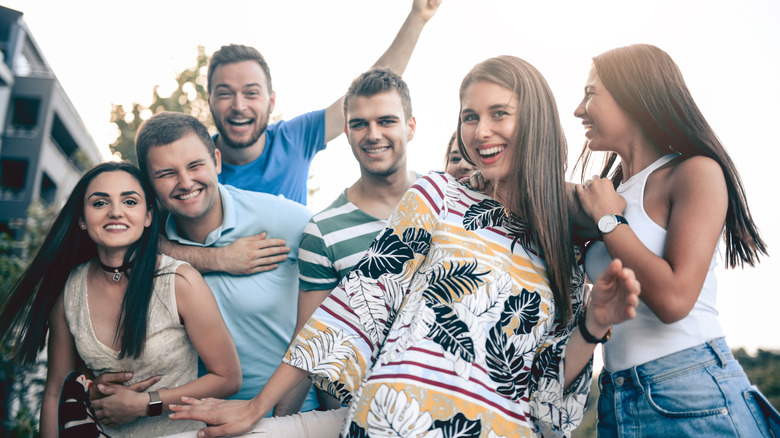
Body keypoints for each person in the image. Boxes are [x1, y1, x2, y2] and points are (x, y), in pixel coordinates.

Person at [169, 55, 642, 438]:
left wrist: (595, 322)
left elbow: (547, 392)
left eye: (500, 113)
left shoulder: (569, 237)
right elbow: (353, 310)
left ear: (534, 118)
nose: (480, 133)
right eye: (470, 117)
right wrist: (257, 408)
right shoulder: (438, 196)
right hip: (393, 424)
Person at [573, 44, 775, 437]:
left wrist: (610, 222)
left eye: (591, 93)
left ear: (634, 94)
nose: (579, 109)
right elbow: (531, 194)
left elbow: (674, 299)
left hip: (690, 390)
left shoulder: (694, 173)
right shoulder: (604, 194)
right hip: (616, 398)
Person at [0, 162, 241, 438]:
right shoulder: (69, 290)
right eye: (100, 203)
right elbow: (57, 389)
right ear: (81, 218)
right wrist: (91, 388)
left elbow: (228, 378)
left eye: (129, 201)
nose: (116, 211)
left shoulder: (180, 282)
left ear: (148, 216)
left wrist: (146, 404)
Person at [134, 111, 319, 415]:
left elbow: (347, 281)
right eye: (166, 173)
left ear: (217, 162)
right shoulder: (143, 237)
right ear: (148, 184)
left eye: (195, 165)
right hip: (198, 419)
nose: (185, 182)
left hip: (292, 417)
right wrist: (217, 258)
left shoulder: (278, 218)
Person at [208, 0, 441, 205]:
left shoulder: (294, 138)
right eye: (225, 93)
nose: (239, 106)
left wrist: (417, 18)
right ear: (210, 100)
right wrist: (221, 257)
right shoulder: (193, 165)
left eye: (251, 93)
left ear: (271, 101)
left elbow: (367, 95)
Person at [293, 67, 420, 411]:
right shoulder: (323, 231)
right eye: (360, 124)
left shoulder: (446, 204)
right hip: (356, 417)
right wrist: (272, 419)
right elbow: (310, 344)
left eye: (386, 121)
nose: (373, 134)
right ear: (346, 133)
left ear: (410, 127)